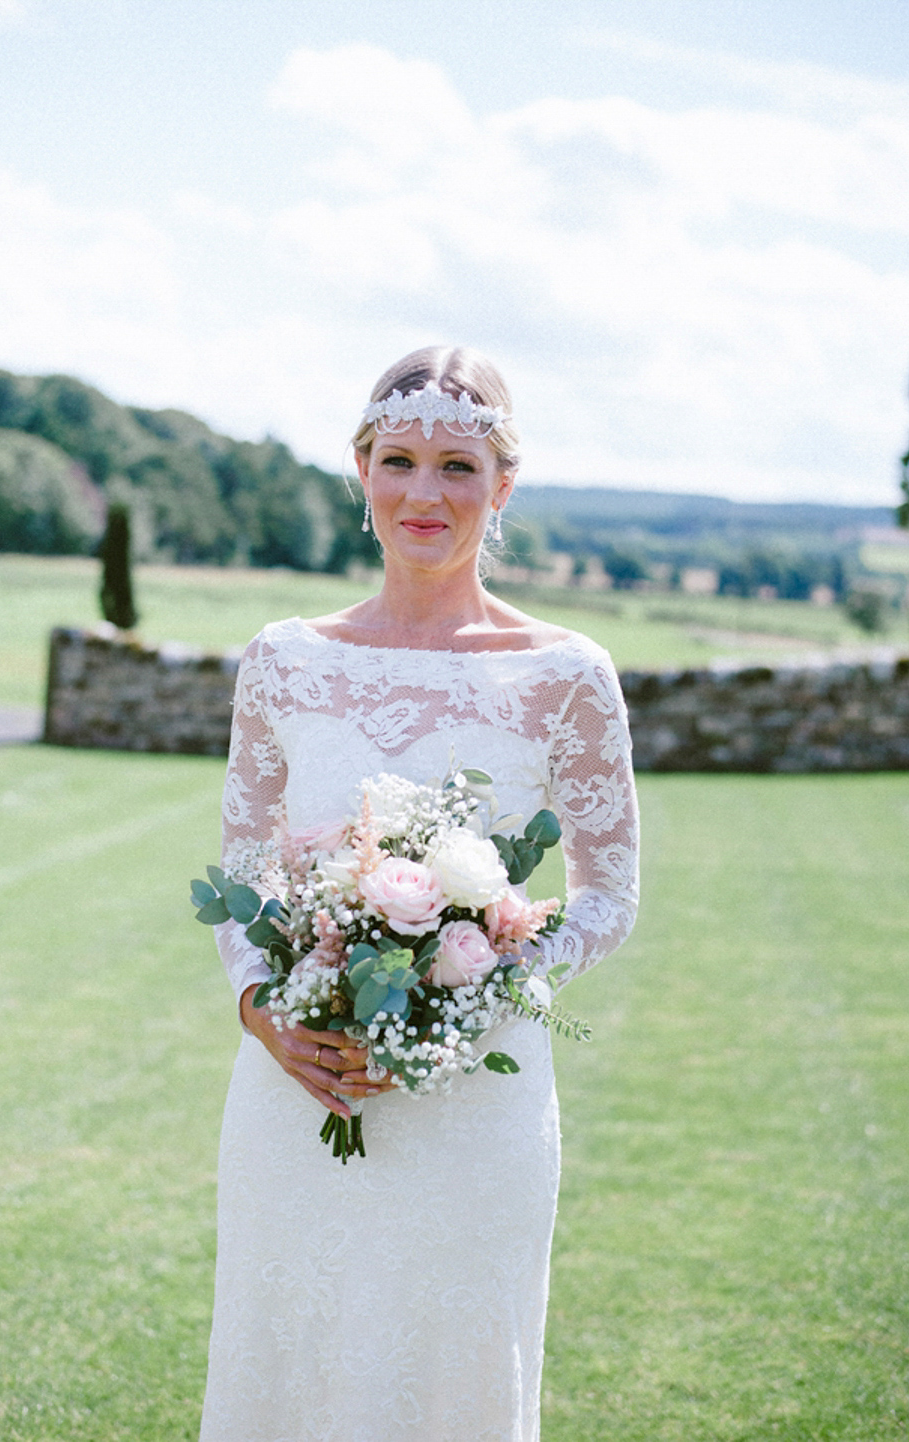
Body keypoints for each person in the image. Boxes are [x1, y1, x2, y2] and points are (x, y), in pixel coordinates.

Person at [199, 346, 639, 1442]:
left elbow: (607, 892)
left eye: (457, 465)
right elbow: (246, 864)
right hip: (298, 1088)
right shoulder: (286, 659)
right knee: (288, 1358)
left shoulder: (566, 673)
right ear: (360, 471)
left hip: (472, 1105)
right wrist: (263, 1011)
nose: (424, 492)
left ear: (502, 485)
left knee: (451, 1373)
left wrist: (465, 994)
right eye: (398, 459)